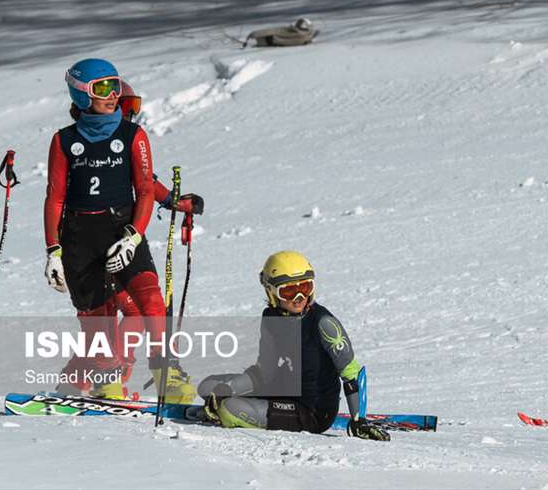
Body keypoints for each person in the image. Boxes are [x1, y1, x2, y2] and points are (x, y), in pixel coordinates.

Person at [43, 59, 195, 403]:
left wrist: (137, 233)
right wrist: (53, 250)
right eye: (103, 89)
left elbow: (145, 186)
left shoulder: (132, 136)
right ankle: (97, 378)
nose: (112, 97)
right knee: (100, 318)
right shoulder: (64, 141)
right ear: (82, 94)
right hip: (80, 238)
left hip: (120, 231)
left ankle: (164, 374)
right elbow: (54, 198)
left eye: (116, 88)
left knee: (149, 301)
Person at [197, 251, 389, 440]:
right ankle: (234, 405)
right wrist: (227, 389)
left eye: (305, 288)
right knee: (207, 387)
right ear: (271, 292)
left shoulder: (324, 323)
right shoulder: (271, 318)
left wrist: (358, 420)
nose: (298, 297)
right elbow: (265, 372)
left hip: (312, 411)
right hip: (282, 389)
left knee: (230, 408)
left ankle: (231, 411)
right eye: (288, 291)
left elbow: (352, 373)